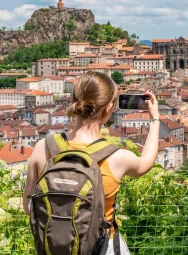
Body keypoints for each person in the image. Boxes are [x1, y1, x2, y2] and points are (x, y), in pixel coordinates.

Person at [23, 71, 160, 255]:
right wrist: (155, 119)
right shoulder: (116, 156)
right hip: (102, 248)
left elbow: (28, 206)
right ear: (108, 109)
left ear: (74, 101)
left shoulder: (43, 147)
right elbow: (146, 162)